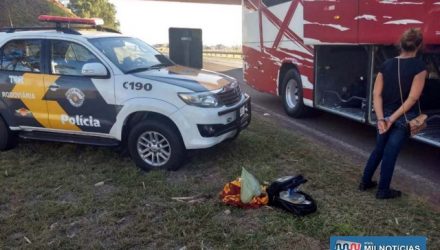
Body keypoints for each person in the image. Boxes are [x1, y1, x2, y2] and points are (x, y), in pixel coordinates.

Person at [359, 28, 427, 199]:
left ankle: (365, 182)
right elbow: (412, 99)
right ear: (418, 46)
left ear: (401, 44)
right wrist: (392, 119)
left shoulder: (386, 64)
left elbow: (376, 94)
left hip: (385, 115)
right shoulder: (420, 67)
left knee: (379, 149)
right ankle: (383, 191)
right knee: (390, 153)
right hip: (402, 117)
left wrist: (382, 118)